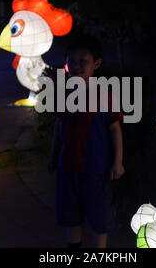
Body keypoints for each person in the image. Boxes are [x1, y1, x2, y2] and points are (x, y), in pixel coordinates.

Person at [48, 35, 125, 248]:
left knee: (99, 217)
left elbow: (114, 129)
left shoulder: (104, 94)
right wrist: (54, 156)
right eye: (72, 61)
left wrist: (117, 162)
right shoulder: (64, 94)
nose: (77, 66)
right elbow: (59, 126)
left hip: (96, 170)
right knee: (70, 215)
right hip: (68, 168)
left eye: (83, 61)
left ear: (96, 64)